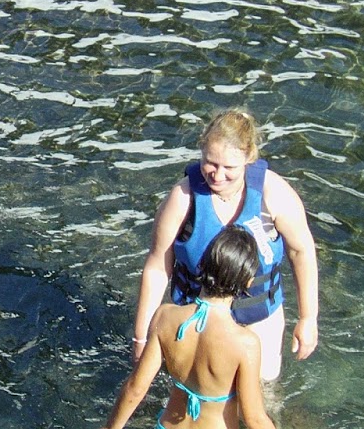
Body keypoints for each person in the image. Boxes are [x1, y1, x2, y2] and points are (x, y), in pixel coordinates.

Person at [89, 225, 313, 429]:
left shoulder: (165, 316)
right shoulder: (245, 343)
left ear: (203, 265)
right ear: (247, 282)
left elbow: (137, 386)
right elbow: (254, 417)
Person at [134, 109, 319, 382]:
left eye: (229, 168)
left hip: (258, 317)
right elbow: (158, 267)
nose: (217, 175)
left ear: (248, 158)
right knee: (191, 389)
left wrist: (308, 319)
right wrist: (142, 337)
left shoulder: (274, 194)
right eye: (210, 163)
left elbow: (301, 251)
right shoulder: (183, 198)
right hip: (196, 316)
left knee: (262, 390)